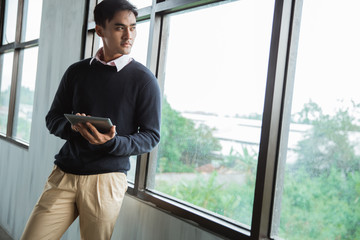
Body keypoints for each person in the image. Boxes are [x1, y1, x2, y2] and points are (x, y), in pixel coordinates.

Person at [21, 0, 161, 239]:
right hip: (64, 174)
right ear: (99, 30)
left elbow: (151, 136)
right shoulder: (76, 72)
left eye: (133, 27)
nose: (129, 35)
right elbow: (53, 118)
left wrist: (111, 143)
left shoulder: (144, 80)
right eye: (119, 27)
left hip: (105, 181)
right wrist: (74, 128)